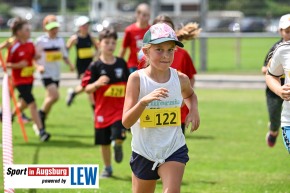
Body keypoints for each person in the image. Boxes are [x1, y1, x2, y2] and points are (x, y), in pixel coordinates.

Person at [122, 23, 200, 193]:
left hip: (173, 148)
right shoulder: (136, 79)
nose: (166, 55)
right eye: (159, 50)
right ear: (146, 52)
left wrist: (193, 110)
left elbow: (191, 95)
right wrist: (143, 102)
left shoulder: (180, 79)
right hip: (144, 151)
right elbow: (126, 122)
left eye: (170, 50)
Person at [82, 29, 129, 178]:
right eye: (107, 42)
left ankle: (118, 143)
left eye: (113, 42)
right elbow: (86, 89)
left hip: (119, 111)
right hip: (102, 111)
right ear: (99, 44)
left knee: (117, 133)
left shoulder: (121, 63)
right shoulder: (95, 66)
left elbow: (130, 85)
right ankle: (108, 168)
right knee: (104, 143)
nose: (110, 45)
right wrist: (97, 84)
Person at [149, 15, 199, 133]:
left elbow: (190, 79)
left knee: (175, 147)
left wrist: (184, 99)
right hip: (151, 112)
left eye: (168, 29)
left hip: (176, 111)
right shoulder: (146, 55)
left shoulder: (182, 54)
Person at [6, 17, 50, 142]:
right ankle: (41, 131)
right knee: (32, 103)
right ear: (19, 32)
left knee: (24, 103)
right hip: (19, 81)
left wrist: (37, 59)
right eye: (26, 29)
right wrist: (17, 65)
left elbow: (32, 59)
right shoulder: (13, 46)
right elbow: (5, 64)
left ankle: (10, 115)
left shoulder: (31, 44)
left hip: (29, 79)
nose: (29, 31)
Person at [35, 15, 74, 130]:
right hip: (45, 74)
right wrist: (38, 67)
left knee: (50, 100)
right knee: (55, 96)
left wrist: (70, 64)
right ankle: (39, 115)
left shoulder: (60, 41)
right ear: (45, 28)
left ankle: (41, 125)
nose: (54, 30)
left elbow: (64, 55)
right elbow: (33, 58)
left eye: (55, 27)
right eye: (51, 28)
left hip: (56, 74)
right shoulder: (40, 41)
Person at [262, 14, 290, 147]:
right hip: (275, 92)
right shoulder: (278, 49)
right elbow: (266, 70)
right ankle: (273, 131)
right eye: (288, 31)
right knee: (274, 120)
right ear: (280, 31)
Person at [66, 16, 98, 109]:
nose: (86, 27)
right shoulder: (75, 38)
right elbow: (66, 50)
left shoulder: (90, 37)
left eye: (87, 25)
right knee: (88, 86)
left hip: (90, 65)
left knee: (86, 86)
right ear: (79, 27)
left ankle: (73, 93)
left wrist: (95, 55)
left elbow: (98, 48)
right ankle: (94, 109)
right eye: (84, 25)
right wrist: (69, 63)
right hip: (81, 65)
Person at [119, 3, 150, 73]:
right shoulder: (129, 30)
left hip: (148, 66)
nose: (147, 18)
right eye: (144, 15)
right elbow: (123, 48)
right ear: (138, 14)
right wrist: (118, 64)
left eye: (148, 15)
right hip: (133, 66)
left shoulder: (152, 30)